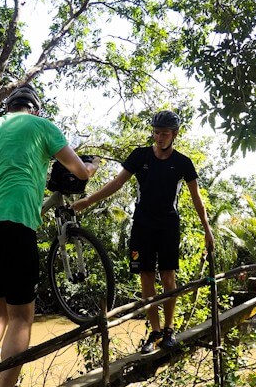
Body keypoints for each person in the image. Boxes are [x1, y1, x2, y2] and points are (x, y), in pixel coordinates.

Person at [0, 84, 99, 387]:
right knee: (22, 315)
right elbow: (78, 171)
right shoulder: (41, 126)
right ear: (34, 109)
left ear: (9, 106)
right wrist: (90, 168)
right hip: (13, 220)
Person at [73, 110, 214, 353]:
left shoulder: (183, 163)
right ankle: (155, 331)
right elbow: (117, 183)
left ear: (174, 135)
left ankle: (169, 330)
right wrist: (87, 201)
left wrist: (207, 230)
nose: (159, 138)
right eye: (156, 133)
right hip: (142, 225)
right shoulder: (139, 156)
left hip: (169, 225)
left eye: (164, 134)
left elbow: (196, 198)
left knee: (168, 276)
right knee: (146, 277)